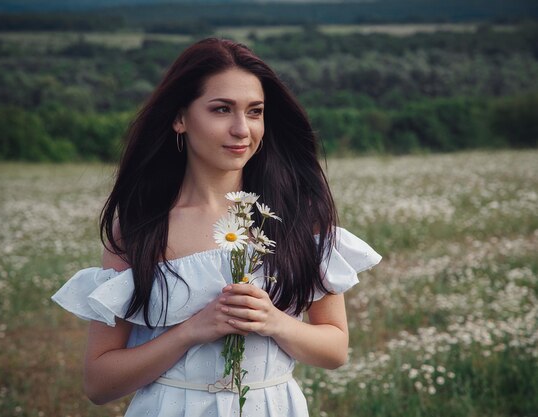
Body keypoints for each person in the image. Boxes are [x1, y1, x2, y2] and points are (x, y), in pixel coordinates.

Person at [51, 38, 381, 416]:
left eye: (254, 111)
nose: (242, 129)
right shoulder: (140, 227)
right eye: (222, 109)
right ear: (180, 118)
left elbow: (335, 350)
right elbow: (99, 384)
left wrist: (274, 322)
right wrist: (192, 331)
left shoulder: (297, 217)